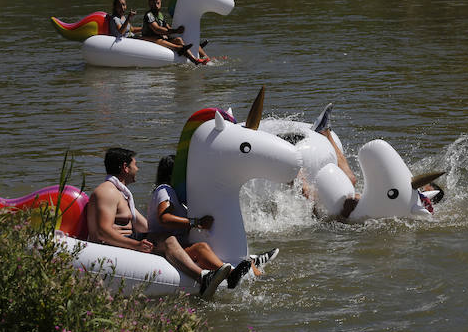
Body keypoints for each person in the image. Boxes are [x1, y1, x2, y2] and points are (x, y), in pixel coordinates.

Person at [86, 147, 231, 296]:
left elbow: (147, 227)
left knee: (171, 240)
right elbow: (103, 231)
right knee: (167, 239)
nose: (138, 168)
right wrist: (137, 245)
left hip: (126, 242)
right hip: (112, 248)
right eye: (135, 164)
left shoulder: (121, 195)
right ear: (125, 168)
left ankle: (222, 272)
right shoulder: (107, 192)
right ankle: (202, 278)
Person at [146, 154, 280, 289]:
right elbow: (164, 218)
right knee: (201, 248)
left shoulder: (176, 195)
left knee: (219, 248)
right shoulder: (164, 189)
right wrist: (196, 222)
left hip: (180, 243)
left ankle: (259, 278)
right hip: (165, 246)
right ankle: (233, 275)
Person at [304, 104, 445, 219]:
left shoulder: (407, 209)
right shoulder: (403, 201)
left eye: (422, 190)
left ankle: (295, 173)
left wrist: (353, 203)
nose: (417, 190)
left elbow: (360, 209)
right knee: (351, 180)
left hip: (341, 220)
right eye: (420, 189)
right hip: (352, 209)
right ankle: (325, 132)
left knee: (321, 195)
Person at [139, 0, 208, 65]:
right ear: (149, 4)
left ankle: (202, 56)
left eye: (158, 3)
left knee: (179, 39)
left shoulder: (160, 15)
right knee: (161, 40)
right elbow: (157, 29)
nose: (156, 6)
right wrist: (176, 31)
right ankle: (194, 59)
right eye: (154, 3)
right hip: (150, 38)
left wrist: (180, 30)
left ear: (160, 2)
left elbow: (167, 27)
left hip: (160, 37)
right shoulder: (149, 15)